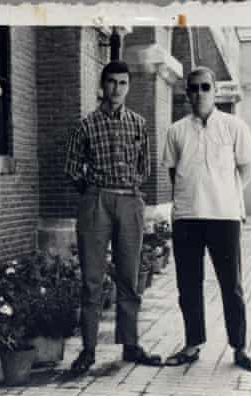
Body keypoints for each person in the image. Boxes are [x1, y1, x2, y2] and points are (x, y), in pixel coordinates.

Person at [161, 66, 251, 373]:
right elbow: (172, 173)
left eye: (205, 87)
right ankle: (193, 345)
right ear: (186, 93)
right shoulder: (176, 131)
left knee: (231, 285)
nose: (199, 93)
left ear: (215, 91)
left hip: (224, 216)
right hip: (187, 218)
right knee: (188, 285)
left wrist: (225, 193)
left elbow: (246, 170)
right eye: (192, 88)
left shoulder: (235, 127)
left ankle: (240, 348)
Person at [64, 61, 162, 374]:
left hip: (129, 202)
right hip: (97, 202)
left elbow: (145, 168)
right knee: (92, 280)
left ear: (128, 87)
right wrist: (94, 192)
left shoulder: (138, 124)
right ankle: (89, 350)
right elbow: (71, 168)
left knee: (130, 278)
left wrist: (126, 192)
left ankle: (131, 345)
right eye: (111, 82)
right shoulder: (87, 125)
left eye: (122, 83)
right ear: (102, 85)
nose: (116, 89)